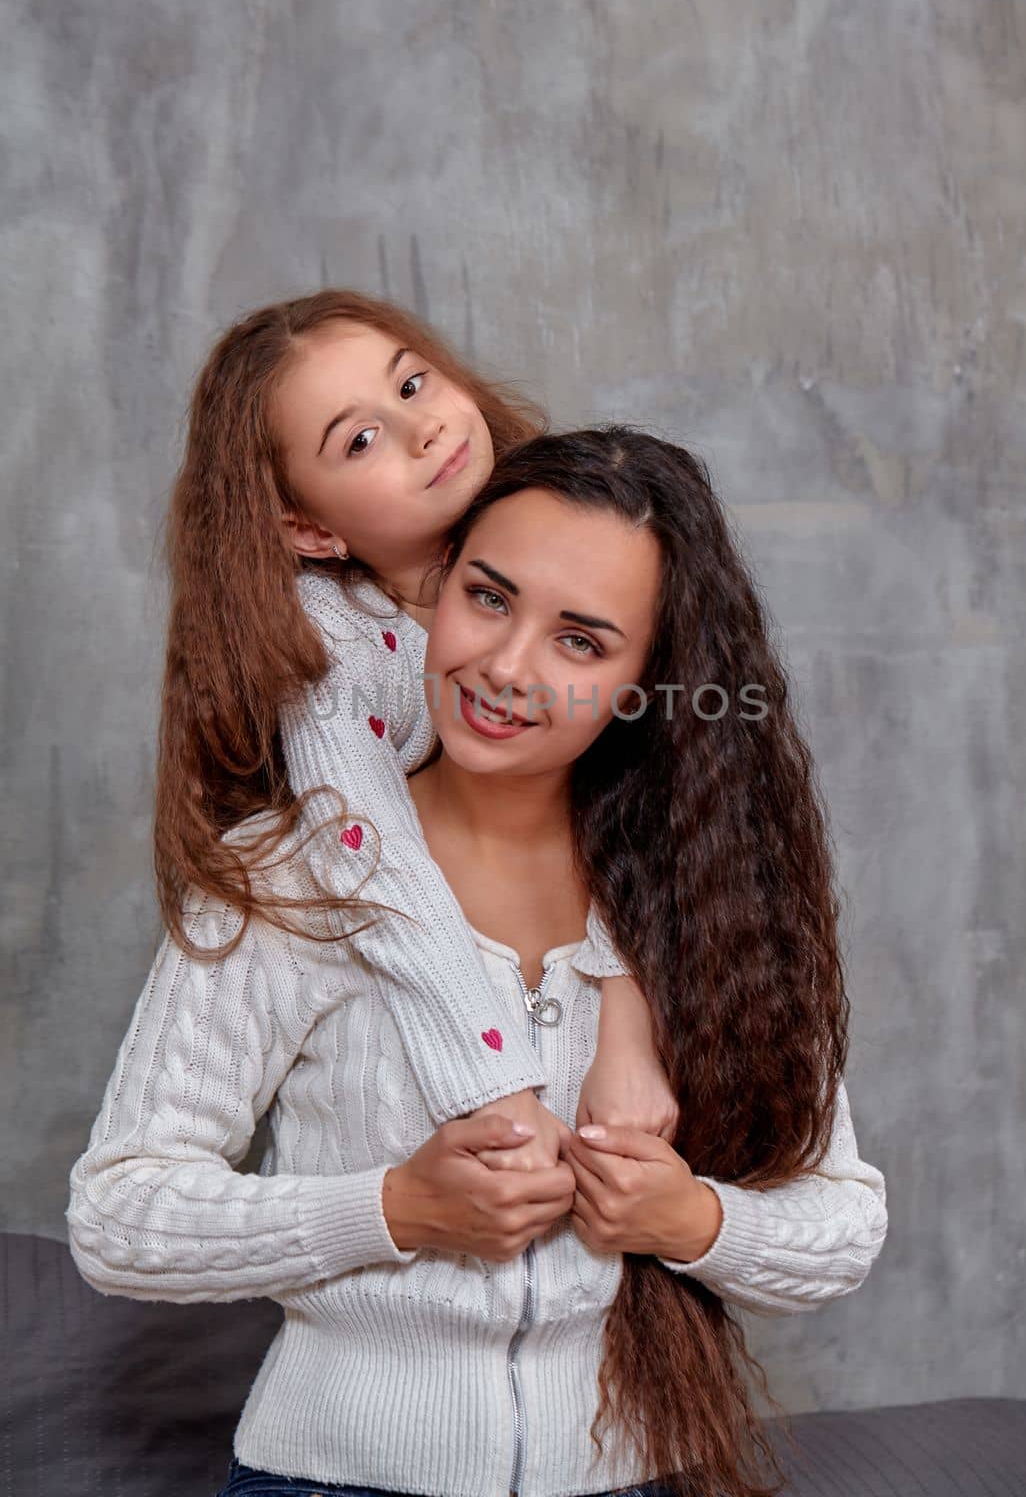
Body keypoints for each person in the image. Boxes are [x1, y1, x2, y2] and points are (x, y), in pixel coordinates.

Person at [67, 426, 888, 1497]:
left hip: (643, 1473)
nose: (504, 667)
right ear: (435, 590)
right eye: (488, 597)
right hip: (333, 1478)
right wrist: (398, 1207)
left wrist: (688, 1219)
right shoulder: (291, 874)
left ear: (644, 682)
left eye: (580, 642)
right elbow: (121, 1216)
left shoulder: (704, 905)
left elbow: (840, 1224)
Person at [152, 289, 676, 1175]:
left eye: (413, 386)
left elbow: (648, 792)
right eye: (359, 441)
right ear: (308, 528)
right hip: (408, 956)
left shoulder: (562, 534)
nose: (422, 430)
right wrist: (494, 1086)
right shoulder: (331, 655)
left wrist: (628, 1021)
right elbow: (375, 857)